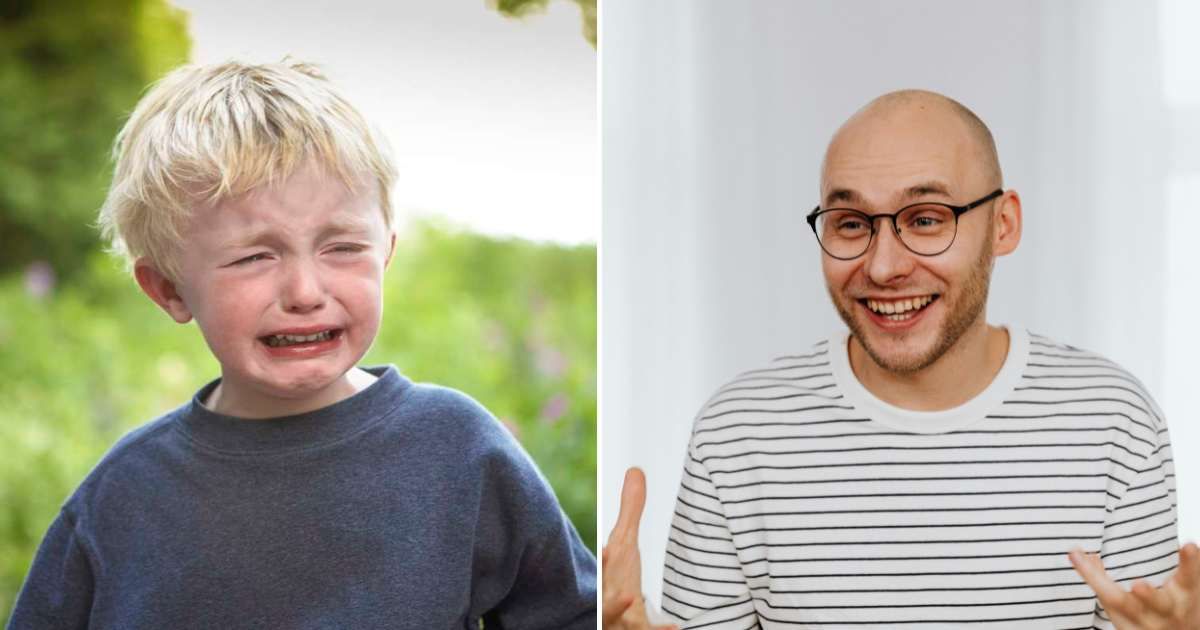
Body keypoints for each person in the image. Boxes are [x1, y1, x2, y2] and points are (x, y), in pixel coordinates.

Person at [7, 60, 596, 629]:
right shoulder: (121, 500)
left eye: (343, 248)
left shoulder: (459, 450)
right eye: (254, 257)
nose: (305, 292)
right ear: (168, 288)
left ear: (385, 253)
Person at [603, 90, 1198, 629]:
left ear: (1004, 224)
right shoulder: (737, 433)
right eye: (851, 224)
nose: (884, 266)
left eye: (926, 220)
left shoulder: (1114, 422)